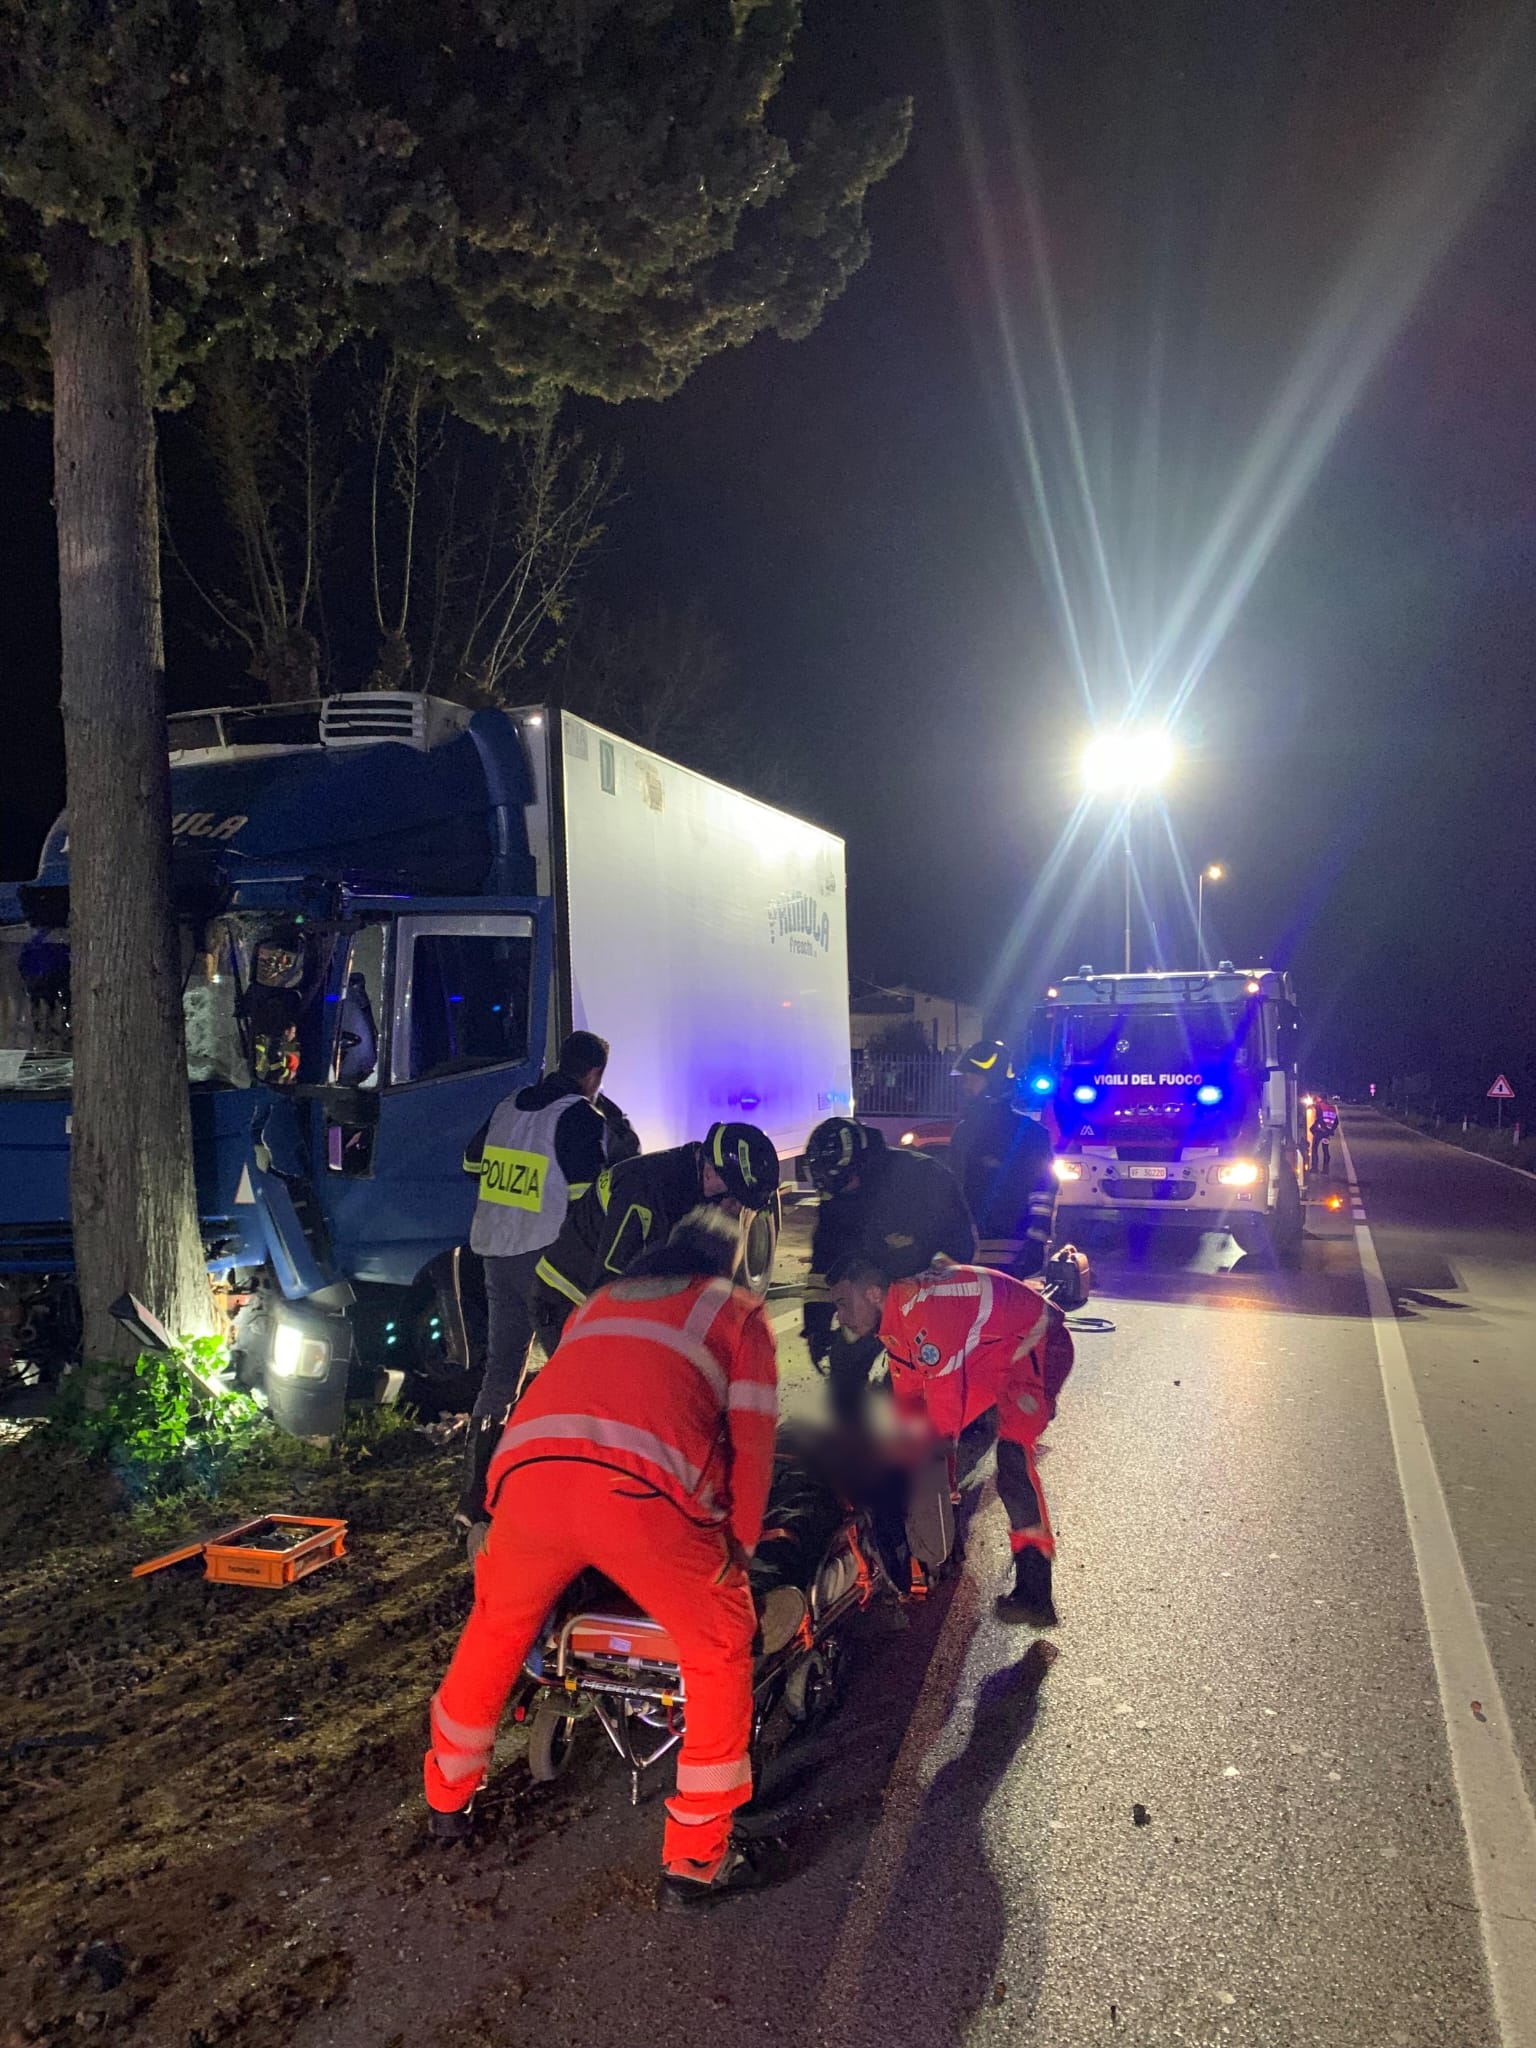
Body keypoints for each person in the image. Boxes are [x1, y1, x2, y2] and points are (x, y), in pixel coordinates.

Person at [423, 1207, 780, 1909]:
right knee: (717, 1647)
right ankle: (698, 1857)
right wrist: (737, 1548)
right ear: (728, 1264)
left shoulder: (600, 1303)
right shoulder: (738, 1313)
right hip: (643, 1499)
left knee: (496, 1629)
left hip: (527, 1485)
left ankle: (446, 1797)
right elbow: (754, 1440)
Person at [828, 1255, 1073, 1623]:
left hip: (1040, 1343)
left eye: (843, 1303)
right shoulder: (896, 1322)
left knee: (1013, 1461)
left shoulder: (924, 1313)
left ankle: (1036, 1593)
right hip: (997, 1351)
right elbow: (911, 1399)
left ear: (874, 1294)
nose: (840, 1317)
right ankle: (950, 1542)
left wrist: (932, 1480)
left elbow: (944, 1408)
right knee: (927, 1448)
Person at [455, 1030, 615, 1543]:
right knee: (575, 1374)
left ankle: (474, 1501)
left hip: (494, 1253)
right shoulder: (581, 1116)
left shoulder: (510, 1105)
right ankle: (569, 1496)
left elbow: (471, 1163)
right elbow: (588, 1198)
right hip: (546, 1264)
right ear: (594, 1075)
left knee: (501, 1376)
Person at [529, 1120, 780, 1355]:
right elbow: (609, 1284)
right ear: (710, 1172)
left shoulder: (693, 1184)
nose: (734, 1210)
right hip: (567, 1300)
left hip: (603, 1302)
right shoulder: (647, 1189)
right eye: (733, 1199)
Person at [801, 1117, 975, 1424]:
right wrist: (816, 1322)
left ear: (863, 1165)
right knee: (845, 1362)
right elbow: (825, 1261)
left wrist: (912, 1295)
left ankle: (936, 1432)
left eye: (842, 1183)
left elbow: (959, 1251)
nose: (838, 1193)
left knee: (915, 1383)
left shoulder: (924, 1179)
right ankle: (850, 1436)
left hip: (925, 1300)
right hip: (873, 1295)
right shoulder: (837, 1191)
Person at [947, 1040, 1057, 1276]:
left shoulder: (1029, 1134)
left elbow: (1043, 1189)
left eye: (972, 1078)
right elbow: (953, 1188)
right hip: (968, 1251)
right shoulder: (964, 1131)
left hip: (1009, 1250)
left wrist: (1036, 1240)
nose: (966, 1085)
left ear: (994, 1081)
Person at [1310, 1093, 1339, 1173]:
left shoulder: (1319, 1106)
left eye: (1318, 1098)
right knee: (1325, 1150)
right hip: (1327, 1133)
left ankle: (1314, 1168)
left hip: (1319, 1132)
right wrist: (1330, 1130)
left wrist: (1312, 1128)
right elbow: (1336, 1122)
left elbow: (1319, 1119)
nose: (1317, 1099)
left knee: (1314, 1149)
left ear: (1321, 1098)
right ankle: (1326, 1169)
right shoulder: (1332, 1108)